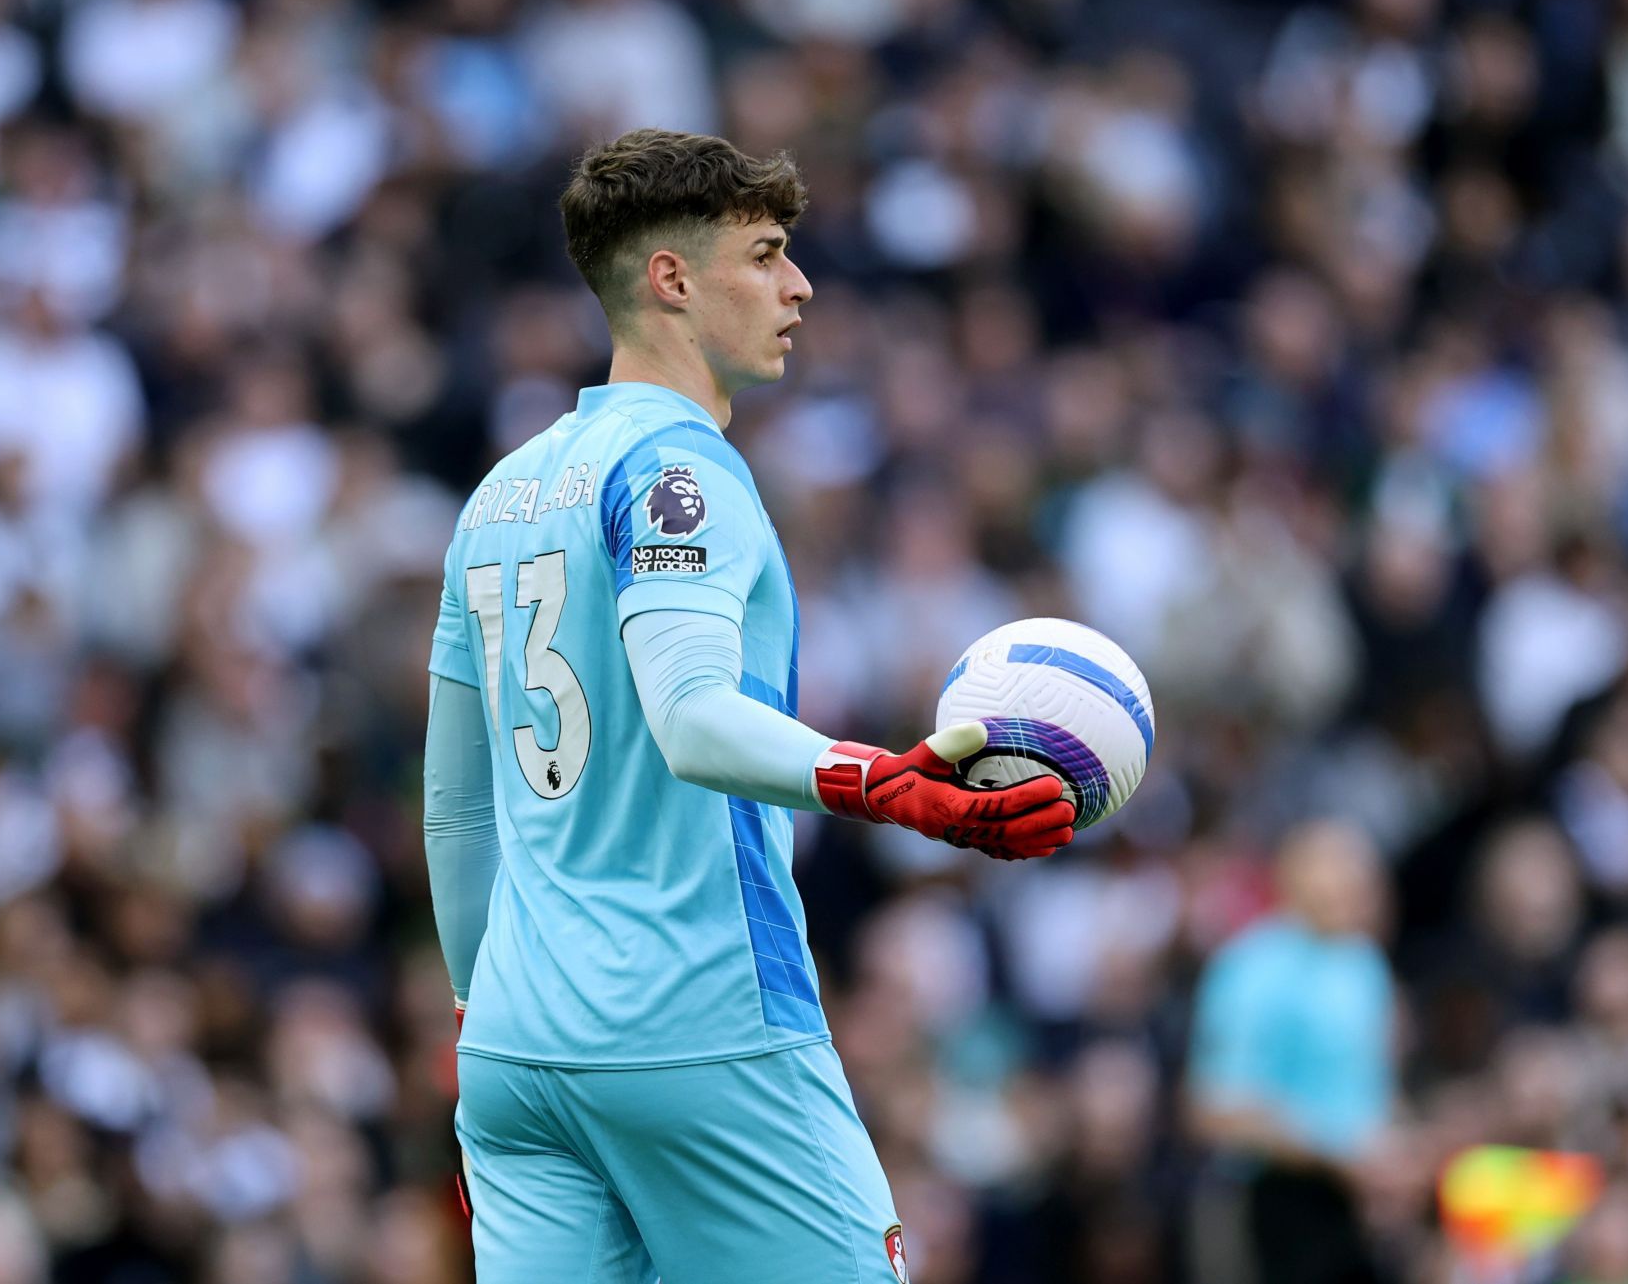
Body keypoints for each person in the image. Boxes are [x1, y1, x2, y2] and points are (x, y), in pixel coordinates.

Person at [420, 129, 1076, 1283]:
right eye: (766, 254)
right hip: (696, 1024)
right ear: (672, 278)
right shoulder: (683, 473)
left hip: (520, 1050)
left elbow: (459, 814)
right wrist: (891, 784)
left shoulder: (500, 493)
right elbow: (691, 719)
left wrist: (485, 1020)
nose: (799, 284)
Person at [1185, 819, 1394, 1284]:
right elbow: (1214, 1109)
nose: (1352, 884)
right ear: (1291, 876)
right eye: (1335, 869)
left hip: (1352, 1207)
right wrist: (1334, 1157)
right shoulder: (1249, 967)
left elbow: (1369, 1090)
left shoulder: (1365, 964)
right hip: (1265, 1203)